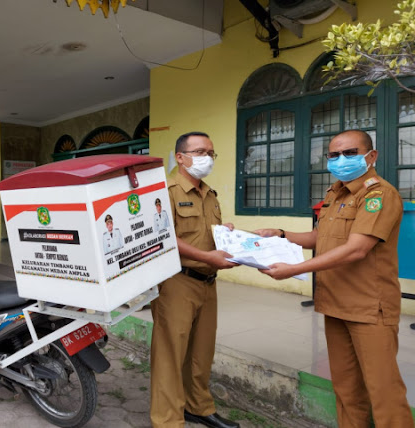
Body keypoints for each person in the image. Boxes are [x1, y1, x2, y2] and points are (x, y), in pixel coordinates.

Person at [255, 130, 412, 428]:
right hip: (336, 304)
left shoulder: (379, 195)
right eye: (334, 155)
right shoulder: (334, 193)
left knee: (384, 392)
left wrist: (292, 270)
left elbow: (357, 249)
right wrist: (281, 234)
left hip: (369, 308)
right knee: (346, 389)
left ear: (371, 156)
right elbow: (319, 236)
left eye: (350, 153)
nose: (341, 160)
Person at [151, 131, 239, 428]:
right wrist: (206, 257)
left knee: (201, 353)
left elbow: (203, 235)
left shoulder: (209, 193)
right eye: (200, 152)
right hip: (177, 282)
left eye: (211, 153)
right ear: (180, 157)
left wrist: (224, 235)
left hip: (208, 281)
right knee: (170, 355)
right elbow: (162, 238)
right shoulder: (165, 191)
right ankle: (167, 420)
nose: (207, 159)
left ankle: (198, 407)